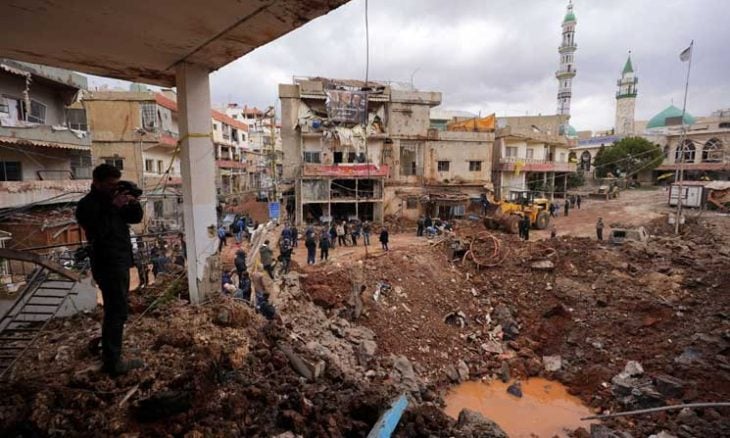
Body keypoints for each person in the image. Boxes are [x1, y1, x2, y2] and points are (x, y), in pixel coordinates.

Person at [76, 164, 144, 376]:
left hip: (120, 261)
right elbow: (99, 232)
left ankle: (112, 354)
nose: (114, 188)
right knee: (116, 311)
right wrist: (113, 207)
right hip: (106, 263)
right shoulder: (87, 206)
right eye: (109, 184)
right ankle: (113, 362)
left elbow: (135, 218)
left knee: (117, 310)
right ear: (96, 182)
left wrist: (133, 202)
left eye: (116, 184)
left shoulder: (113, 199)